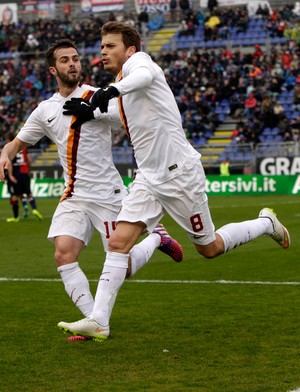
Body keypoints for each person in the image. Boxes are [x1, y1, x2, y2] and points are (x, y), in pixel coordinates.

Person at [57, 22, 291, 341]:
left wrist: (108, 92)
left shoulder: (139, 65)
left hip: (179, 175)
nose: (103, 51)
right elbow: (118, 113)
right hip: (149, 179)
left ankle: (266, 224)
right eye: (102, 46)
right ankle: (99, 320)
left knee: (209, 248)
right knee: (118, 242)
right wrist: (91, 111)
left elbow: (143, 77)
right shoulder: (123, 86)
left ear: (129, 50)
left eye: (110, 46)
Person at [0, 38, 183, 341]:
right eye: (65, 60)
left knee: (121, 266)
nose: (72, 64)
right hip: (74, 195)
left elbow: (126, 117)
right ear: (52, 69)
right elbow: (18, 142)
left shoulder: (98, 96)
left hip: (107, 194)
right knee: (63, 253)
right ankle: (93, 321)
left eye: (76, 58)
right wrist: (5, 153)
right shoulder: (45, 109)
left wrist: (94, 110)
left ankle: (155, 238)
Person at [4, 133, 43, 222]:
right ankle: (34, 209)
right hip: (24, 172)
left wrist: (10, 175)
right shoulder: (23, 147)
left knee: (14, 195)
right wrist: (27, 169)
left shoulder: (10, 147)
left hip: (15, 173)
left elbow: (9, 163)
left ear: (8, 139)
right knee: (28, 193)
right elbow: (29, 160)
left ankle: (16, 217)